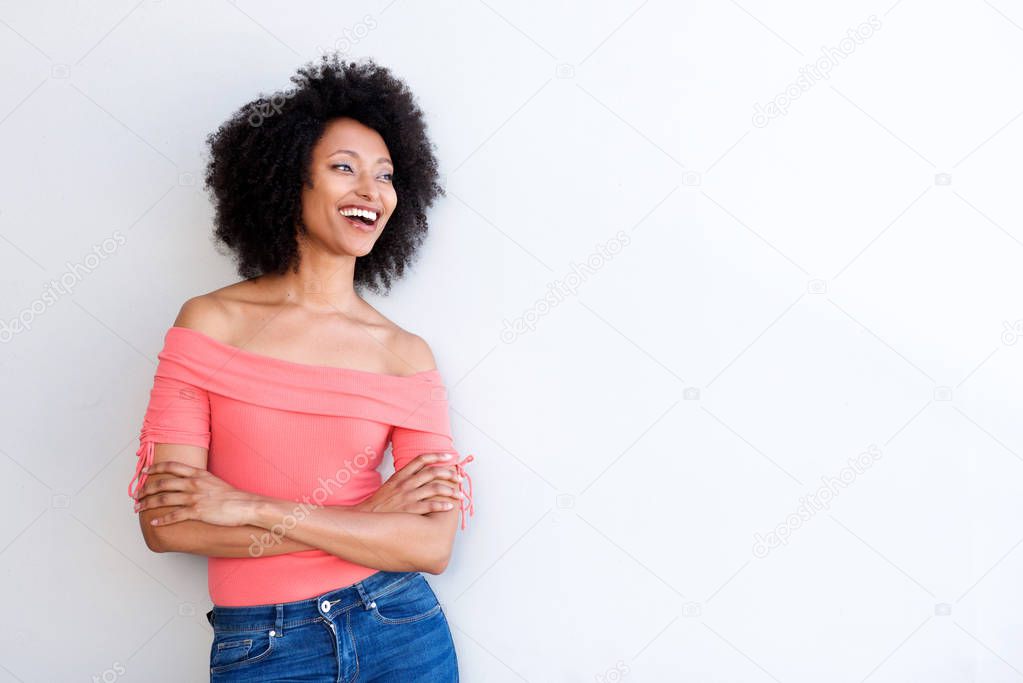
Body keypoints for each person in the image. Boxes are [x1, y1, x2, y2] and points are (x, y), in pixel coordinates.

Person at [128, 54, 474, 681]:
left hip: (400, 628)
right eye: (344, 168)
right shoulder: (208, 324)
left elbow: (431, 545)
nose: (372, 191)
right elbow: (166, 526)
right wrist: (368, 520)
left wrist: (250, 507)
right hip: (262, 646)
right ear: (292, 181)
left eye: (386, 175)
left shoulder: (405, 355)